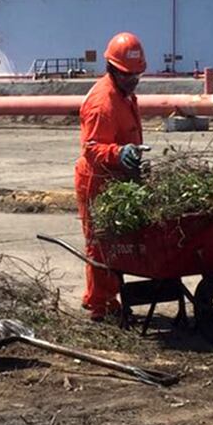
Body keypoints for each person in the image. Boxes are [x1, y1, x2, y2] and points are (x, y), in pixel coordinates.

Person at [74, 32, 149, 321]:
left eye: (137, 74)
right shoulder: (101, 103)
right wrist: (120, 154)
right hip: (97, 179)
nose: (134, 80)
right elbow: (92, 150)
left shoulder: (124, 94)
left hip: (118, 178)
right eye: (129, 75)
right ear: (113, 69)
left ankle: (110, 298)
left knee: (117, 241)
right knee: (101, 242)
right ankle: (99, 305)